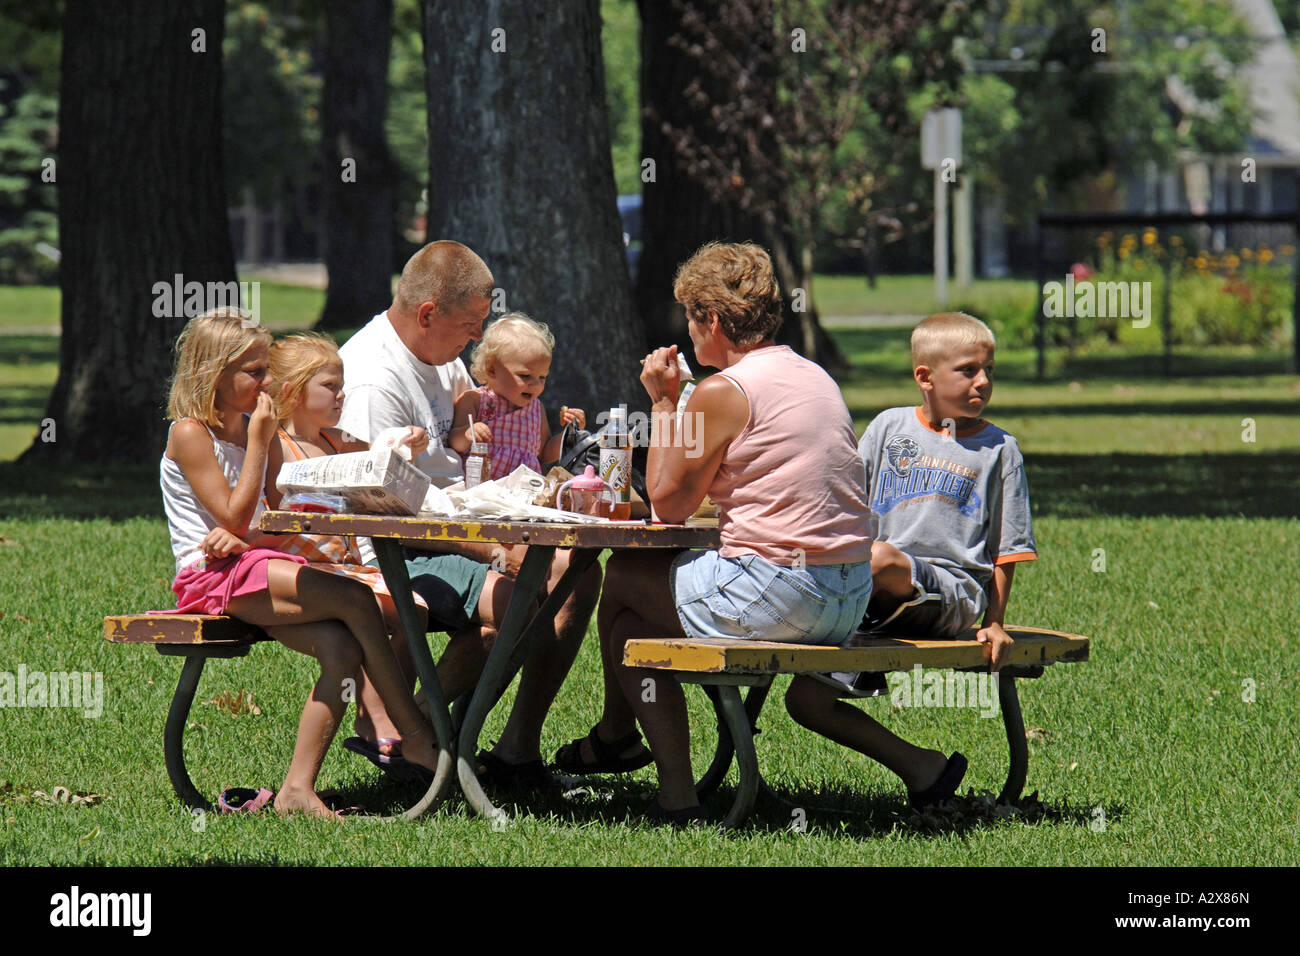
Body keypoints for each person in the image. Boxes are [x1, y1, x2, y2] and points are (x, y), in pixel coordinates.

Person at [570, 241, 940, 823]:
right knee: (631, 621)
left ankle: (664, 783)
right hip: (846, 593)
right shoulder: (811, 375)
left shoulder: (724, 391)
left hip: (785, 593)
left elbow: (667, 506)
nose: (688, 335)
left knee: (622, 582)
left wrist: (665, 403)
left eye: (690, 320)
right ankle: (629, 748)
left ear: (713, 321)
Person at [337, 240, 601, 786]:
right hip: (400, 548)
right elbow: (369, 497)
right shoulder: (373, 376)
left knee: (575, 573)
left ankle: (512, 753)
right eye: (472, 323)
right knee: (534, 585)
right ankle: (411, 730)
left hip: (458, 530)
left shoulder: (442, 360)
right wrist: (488, 547)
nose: (478, 337)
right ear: (428, 312)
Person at [158, 309, 439, 818]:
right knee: (355, 599)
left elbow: (266, 519)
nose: (267, 382)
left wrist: (252, 528)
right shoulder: (191, 433)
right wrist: (260, 449)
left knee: (341, 646)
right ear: (216, 375)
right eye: (254, 372)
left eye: (267, 369)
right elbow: (235, 514)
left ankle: (296, 792)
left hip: (251, 564)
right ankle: (412, 735)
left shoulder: (248, 427)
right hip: (209, 578)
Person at [785, 311, 1038, 807]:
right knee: (805, 702)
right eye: (968, 370)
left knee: (880, 559)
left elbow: (1008, 548)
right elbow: (847, 501)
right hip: (875, 594)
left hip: (951, 596)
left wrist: (995, 621)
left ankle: (831, 613)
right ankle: (925, 769)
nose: (982, 382)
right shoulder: (888, 427)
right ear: (925, 376)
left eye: (988, 370)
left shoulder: (999, 449)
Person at [449, 312, 586, 475]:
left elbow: (545, 453)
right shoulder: (475, 400)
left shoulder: (536, 408)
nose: (535, 385)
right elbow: (453, 442)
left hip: (524, 492)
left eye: (542, 377)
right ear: (492, 369)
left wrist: (570, 434)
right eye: (525, 376)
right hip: (484, 490)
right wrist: (468, 433)